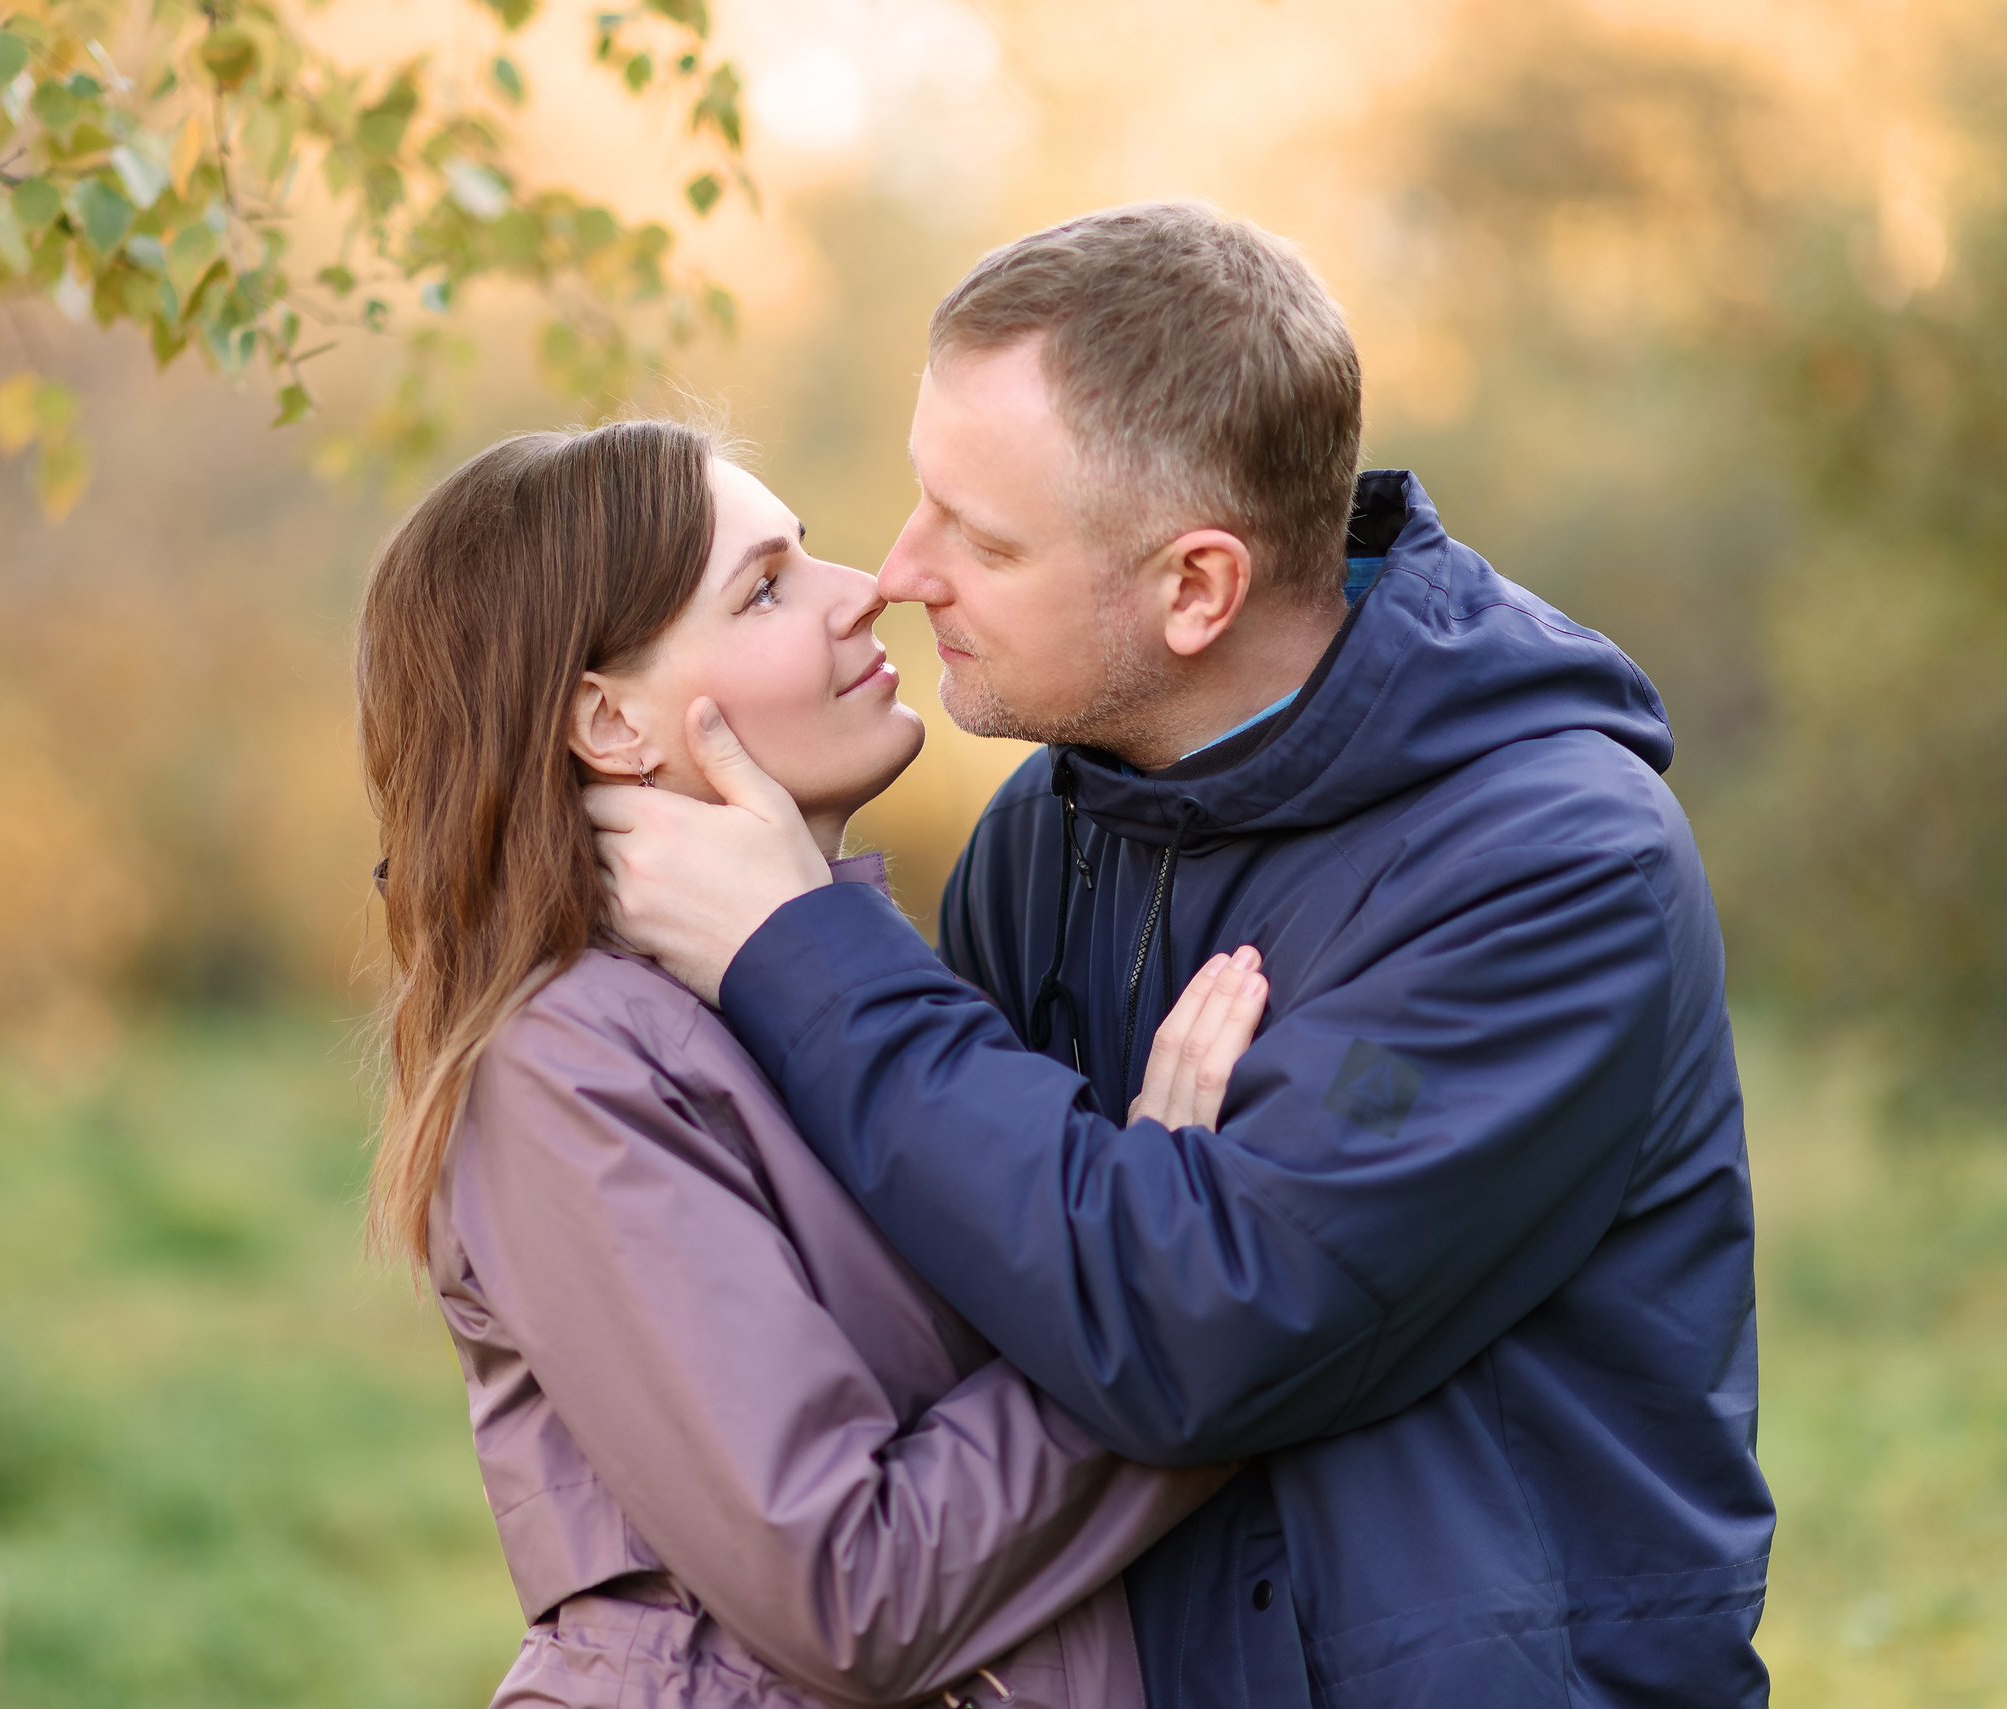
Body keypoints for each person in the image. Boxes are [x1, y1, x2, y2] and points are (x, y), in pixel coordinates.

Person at [587, 204, 1776, 1706]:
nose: (900, 572)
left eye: (984, 538)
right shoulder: (1046, 835)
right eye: (922, 499)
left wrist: (796, 951)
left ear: (1197, 589)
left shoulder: (1553, 871)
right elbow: (969, 1307)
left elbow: (1197, 1334)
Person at [355, 418, 1263, 1709]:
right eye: (768, 588)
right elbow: (851, 1587)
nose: (869, 589)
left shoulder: (841, 995)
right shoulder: (566, 1060)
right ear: (609, 719)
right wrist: (1168, 1290)